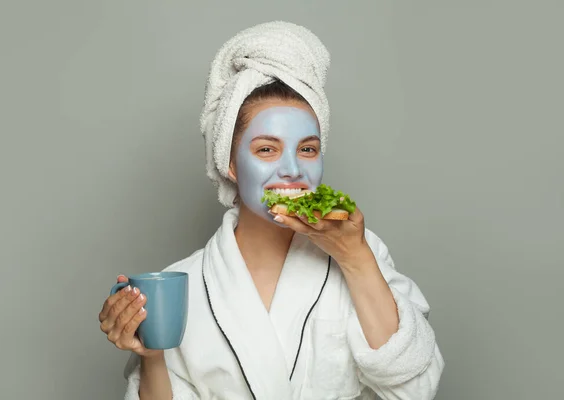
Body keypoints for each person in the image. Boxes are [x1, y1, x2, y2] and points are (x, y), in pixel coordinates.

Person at [98, 21, 444, 400]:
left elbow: (416, 387)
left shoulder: (363, 254)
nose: (293, 169)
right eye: (267, 149)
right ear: (229, 162)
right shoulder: (182, 283)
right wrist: (151, 355)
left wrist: (356, 258)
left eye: (308, 149)